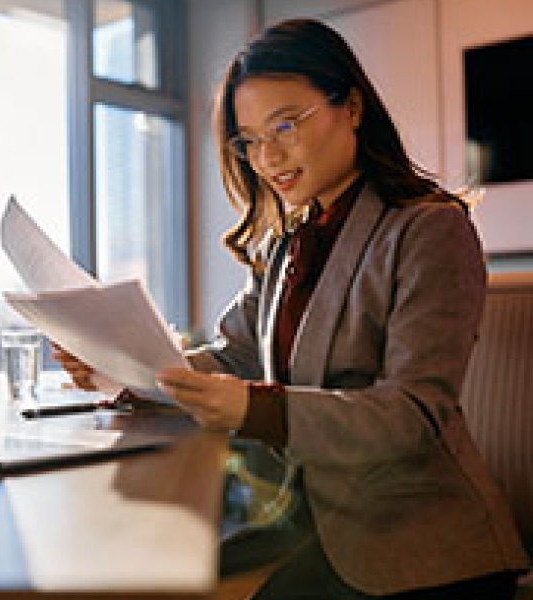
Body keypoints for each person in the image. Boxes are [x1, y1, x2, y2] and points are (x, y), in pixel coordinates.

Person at [53, 17, 529, 600]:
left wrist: (258, 409)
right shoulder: (289, 243)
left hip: (422, 552)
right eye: (248, 140)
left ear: (351, 107)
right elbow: (234, 354)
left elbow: (413, 413)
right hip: (314, 532)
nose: (266, 156)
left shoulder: (430, 229)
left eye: (284, 125)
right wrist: (120, 365)